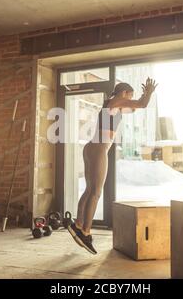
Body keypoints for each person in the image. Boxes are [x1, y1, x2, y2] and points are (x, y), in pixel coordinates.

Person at [68, 78, 158, 254]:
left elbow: (135, 106)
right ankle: (85, 231)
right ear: (124, 93)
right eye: (129, 95)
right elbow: (141, 104)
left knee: (89, 189)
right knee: (96, 192)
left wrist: (142, 97)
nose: (130, 100)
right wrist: (148, 93)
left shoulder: (112, 105)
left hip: (91, 147)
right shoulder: (116, 101)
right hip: (99, 147)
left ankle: (78, 224)